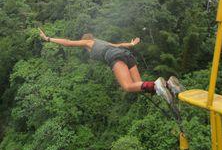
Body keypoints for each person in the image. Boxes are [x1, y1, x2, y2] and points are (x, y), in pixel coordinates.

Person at [38, 28, 184, 103]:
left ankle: (157, 84)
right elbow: (120, 45)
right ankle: (169, 85)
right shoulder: (104, 42)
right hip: (126, 54)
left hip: (115, 57)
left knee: (127, 87)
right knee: (139, 86)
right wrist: (132, 44)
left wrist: (48, 39)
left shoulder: (90, 42)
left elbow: (69, 42)